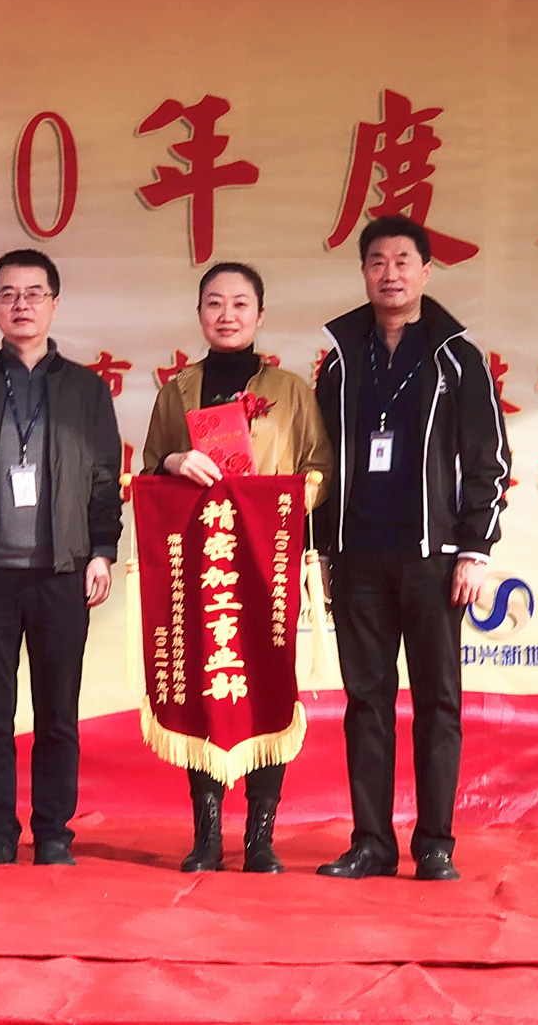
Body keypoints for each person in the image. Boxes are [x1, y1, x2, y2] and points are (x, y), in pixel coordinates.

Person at [313, 216, 510, 881]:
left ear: (426, 271)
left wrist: (475, 549)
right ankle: (371, 842)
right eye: (377, 261)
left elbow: (488, 460)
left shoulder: (457, 358)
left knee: (437, 702)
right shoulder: (341, 361)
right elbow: (322, 461)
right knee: (366, 703)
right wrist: (323, 549)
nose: (390, 273)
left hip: (434, 558)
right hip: (358, 557)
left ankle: (434, 844)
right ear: (363, 273)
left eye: (403, 260)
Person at [0, 248, 122, 867]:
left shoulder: (86, 389)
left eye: (35, 293)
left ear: (54, 304)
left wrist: (102, 551)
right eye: (9, 294)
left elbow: (104, 475)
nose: (22, 305)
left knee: (58, 713)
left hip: (62, 572)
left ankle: (54, 832)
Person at [143, 261, 333, 874]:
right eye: (215, 303)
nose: (227, 315)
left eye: (240, 303)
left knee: (267, 687)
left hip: (266, 560)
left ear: (260, 314)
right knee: (206, 686)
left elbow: (320, 472)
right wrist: (174, 462)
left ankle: (260, 838)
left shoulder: (292, 391)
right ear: (199, 312)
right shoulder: (176, 391)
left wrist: (278, 503)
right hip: (201, 565)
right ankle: (206, 836)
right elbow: (150, 471)